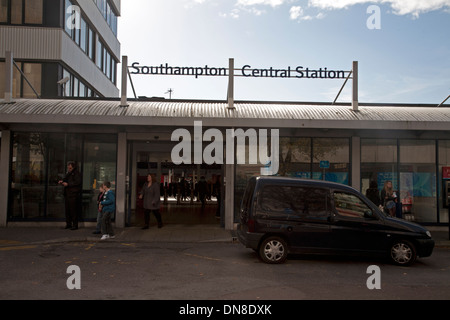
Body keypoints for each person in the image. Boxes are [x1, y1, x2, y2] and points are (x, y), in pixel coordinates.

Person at [58, 162, 82, 230]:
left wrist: (68, 184)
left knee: (73, 210)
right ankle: (68, 224)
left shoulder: (76, 173)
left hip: (73, 194)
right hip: (68, 194)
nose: (69, 169)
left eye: (70, 168)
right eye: (68, 168)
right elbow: (66, 179)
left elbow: (77, 182)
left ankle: (74, 225)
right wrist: (62, 181)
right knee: (67, 210)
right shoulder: (69, 173)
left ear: (73, 167)